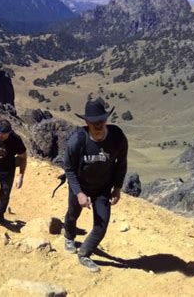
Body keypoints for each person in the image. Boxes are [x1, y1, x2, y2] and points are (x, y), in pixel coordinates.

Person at [63, 98, 128, 273]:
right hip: (81, 185)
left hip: (103, 187)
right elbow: (68, 168)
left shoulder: (117, 137)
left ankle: (84, 254)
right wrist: (79, 193)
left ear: (106, 119)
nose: (98, 124)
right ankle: (69, 236)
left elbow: (121, 163)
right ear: (86, 122)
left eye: (101, 120)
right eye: (93, 122)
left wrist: (118, 187)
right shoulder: (77, 140)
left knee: (102, 224)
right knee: (73, 213)